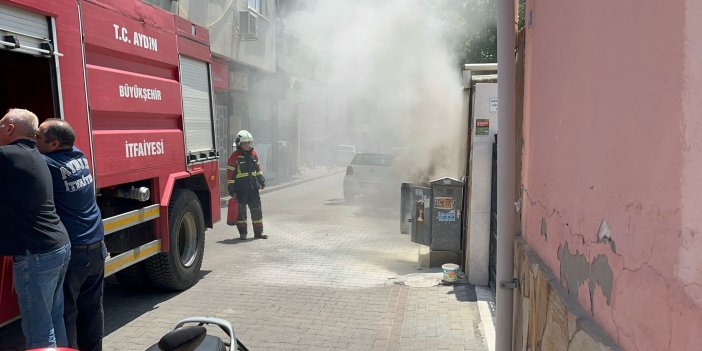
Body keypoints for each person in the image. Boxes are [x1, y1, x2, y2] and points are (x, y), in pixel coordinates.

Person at [0, 108, 71, 349]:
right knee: (53, 317)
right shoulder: (36, 155)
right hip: (58, 245)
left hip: (37, 253)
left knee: (39, 329)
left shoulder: (6, 156)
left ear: (10, 128)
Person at [36, 119, 105, 351]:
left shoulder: (48, 164)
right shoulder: (78, 154)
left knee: (66, 312)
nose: (33, 141)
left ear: (55, 143)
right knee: (92, 308)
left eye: (37, 137)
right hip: (95, 244)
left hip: (75, 250)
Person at [226, 130, 267, 240]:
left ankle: (258, 233)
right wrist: (231, 188)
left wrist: (261, 180)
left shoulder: (254, 154)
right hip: (240, 189)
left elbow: (258, 169)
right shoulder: (234, 156)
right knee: (241, 213)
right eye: (245, 143)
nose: (247, 145)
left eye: (249, 143)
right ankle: (243, 233)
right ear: (239, 144)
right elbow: (230, 174)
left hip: (253, 187)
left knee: (257, 210)